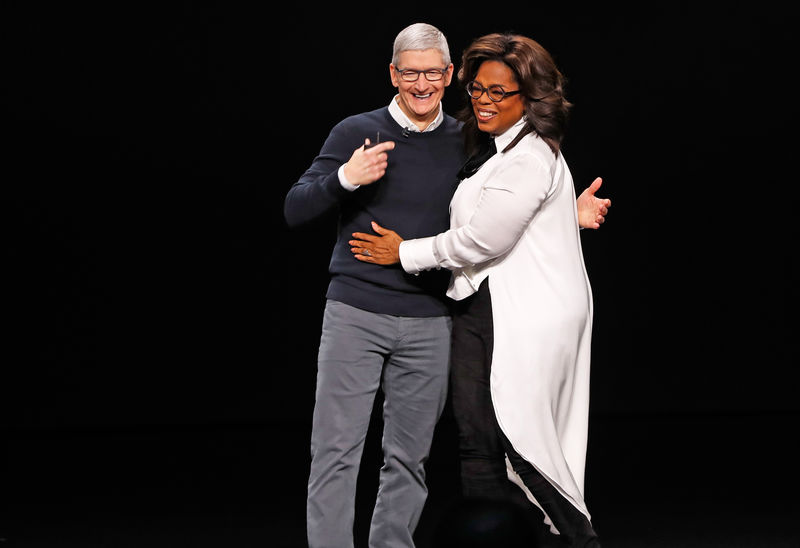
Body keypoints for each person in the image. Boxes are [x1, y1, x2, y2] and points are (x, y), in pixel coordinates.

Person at [285, 23, 608, 548]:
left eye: (433, 72)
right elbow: (295, 209)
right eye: (409, 73)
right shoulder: (355, 131)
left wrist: (562, 217)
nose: (421, 84)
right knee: (336, 453)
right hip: (356, 312)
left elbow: (492, 217)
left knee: (409, 460)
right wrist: (346, 178)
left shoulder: (469, 137)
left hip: (432, 318)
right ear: (393, 74)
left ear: (448, 74)